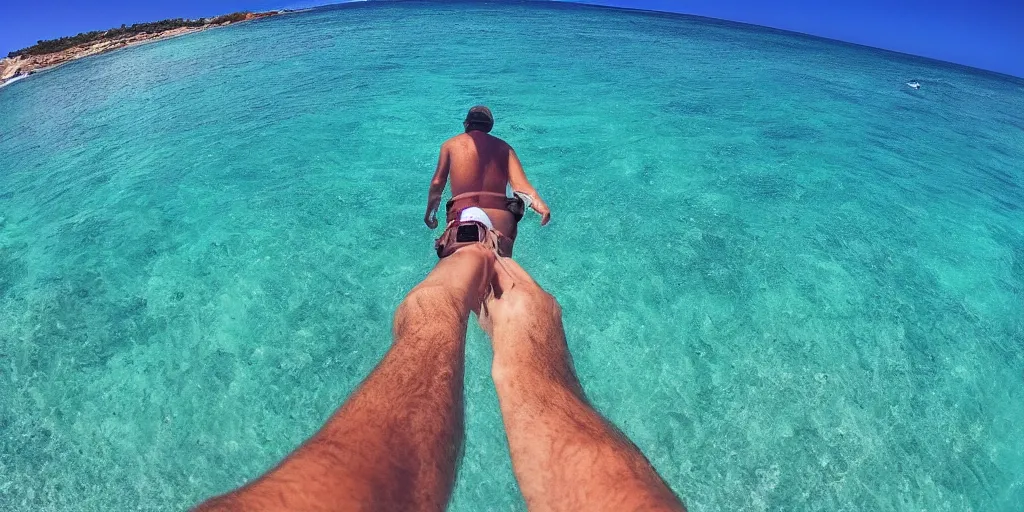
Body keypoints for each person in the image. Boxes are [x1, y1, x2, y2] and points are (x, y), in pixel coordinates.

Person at [195, 246, 686, 511]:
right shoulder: (499, 151)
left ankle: (436, 312)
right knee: (499, 327)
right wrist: (534, 358)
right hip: (494, 240)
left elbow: (438, 183)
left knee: (434, 317)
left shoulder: (455, 146)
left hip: (460, 245)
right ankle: (501, 340)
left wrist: (434, 306)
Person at [425, 106, 552, 258]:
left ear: (466, 124)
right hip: (500, 217)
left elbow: (438, 183)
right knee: (503, 269)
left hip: (463, 213)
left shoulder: (449, 145)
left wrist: (430, 214)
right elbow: (521, 187)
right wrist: (541, 205)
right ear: (489, 126)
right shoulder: (505, 148)